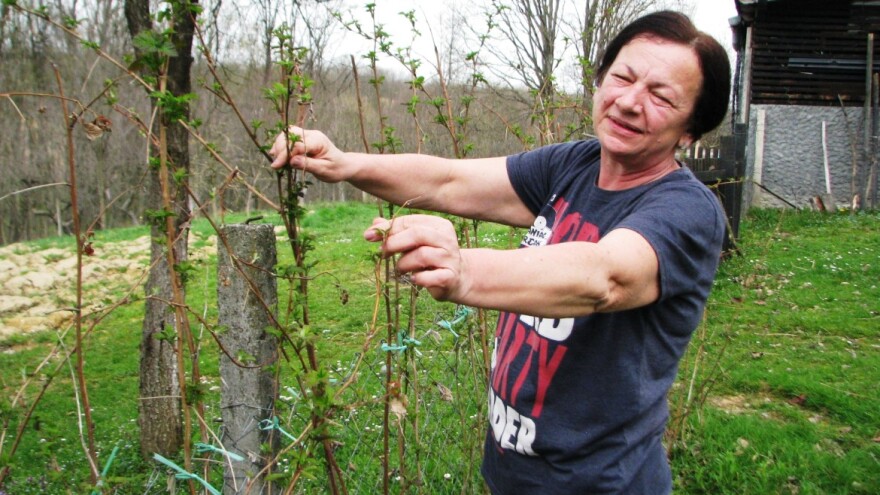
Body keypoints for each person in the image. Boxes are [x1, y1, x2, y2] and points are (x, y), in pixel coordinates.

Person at [269, 10, 730, 494]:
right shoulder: (574, 165)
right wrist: (344, 163)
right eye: (623, 77)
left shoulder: (686, 210)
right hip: (515, 473)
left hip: (600, 484)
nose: (630, 102)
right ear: (600, 81)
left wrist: (464, 271)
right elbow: (450, 181)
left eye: (661, 97)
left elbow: (606, 278)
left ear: (689, 131)